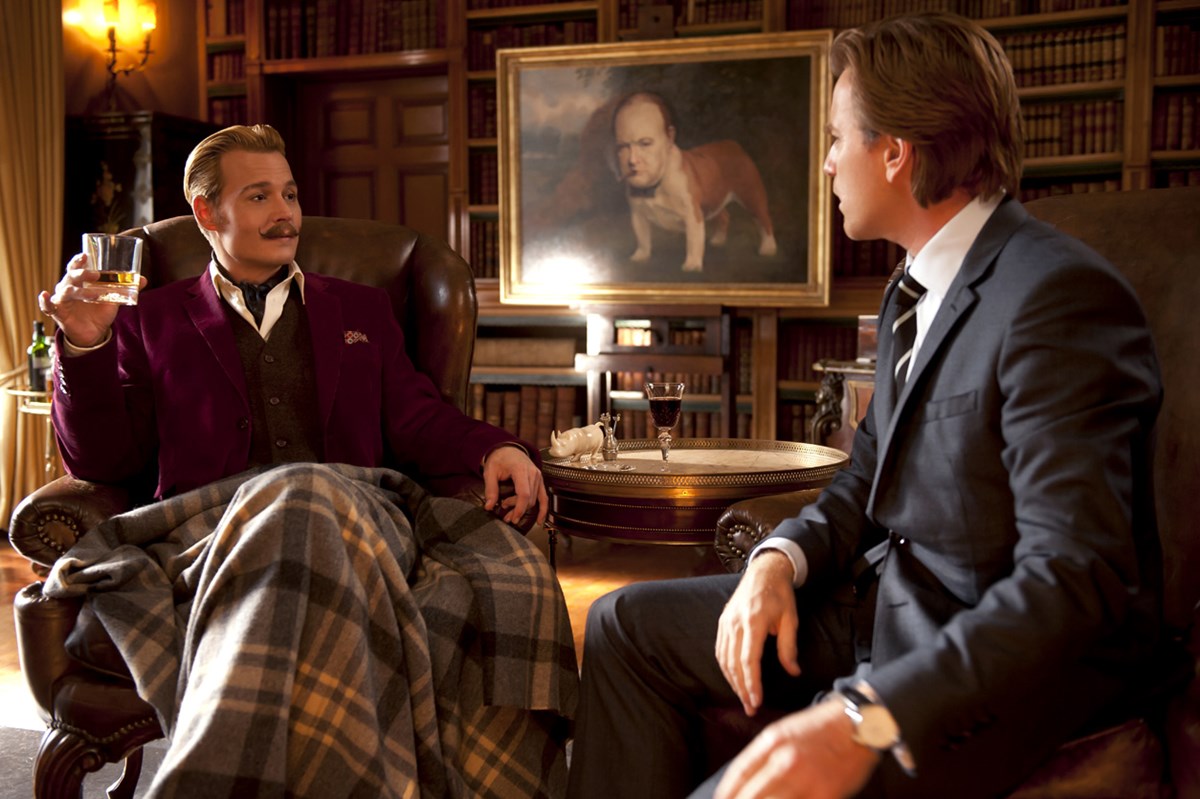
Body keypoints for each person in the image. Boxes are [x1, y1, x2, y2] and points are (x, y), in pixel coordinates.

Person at [567, 12, 1162, 799]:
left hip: (979, 673)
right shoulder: (910, 288)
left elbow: (1072, 580)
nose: (826, 162)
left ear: (894, 151)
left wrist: (864, 713)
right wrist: (778, 559)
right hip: (877, 609)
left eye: (836, 137)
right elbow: (864, 478)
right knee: (620, 623)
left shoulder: (1057, 298)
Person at [37, 124, 577, 797]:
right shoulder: (151, 317)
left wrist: (494, 445)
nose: (285, 212)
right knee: (297, 500)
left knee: (309, 495)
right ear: (206, 213)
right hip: (214, 532)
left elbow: (419, 418)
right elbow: (103, 459)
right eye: (259, 195)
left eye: (289, 194)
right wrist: (84, 347)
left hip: (359, 519)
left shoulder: (359, 308)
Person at [611, 91, 776, 272]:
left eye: (645, 144)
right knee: (639, 212)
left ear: (669, 138)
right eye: (623, 146)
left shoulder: (682, 178)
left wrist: (693, 260)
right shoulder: (635, 179)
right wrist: (643, 250)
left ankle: (767, 235)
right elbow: (638, 214)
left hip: (733, 167)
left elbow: (694, 219)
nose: (632, 160)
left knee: (755, 204)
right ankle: (643, 249)